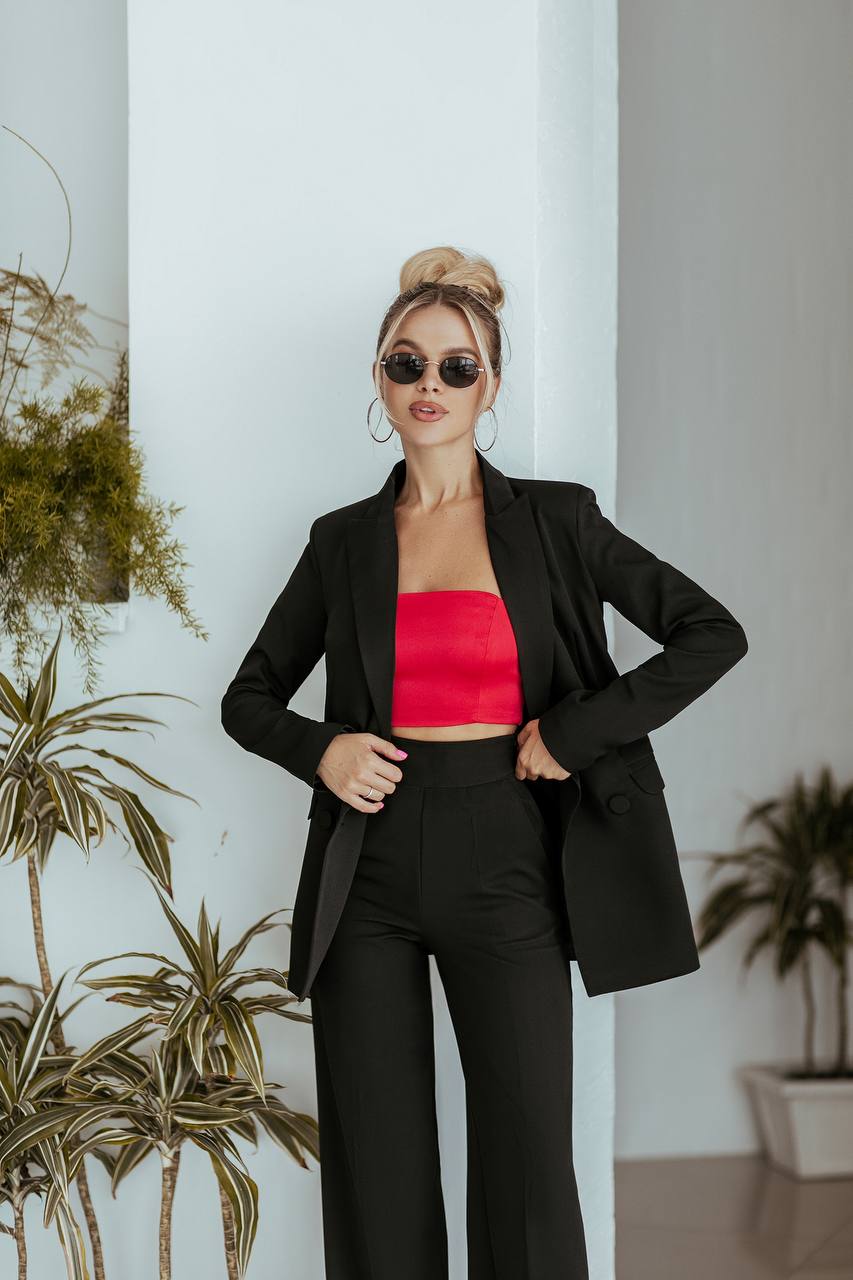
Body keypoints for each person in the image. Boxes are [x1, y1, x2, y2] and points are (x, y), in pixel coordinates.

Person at [220, 245, 748, 1280]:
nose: (430, 385)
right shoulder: (343, 541)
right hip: (366, 864)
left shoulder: (556, 520)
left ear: (490, 383)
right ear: (378, 380)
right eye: (405, 363)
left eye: (456, 367)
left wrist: (574, 732)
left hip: (508, 846)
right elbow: (247, 697)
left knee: (524, 1166)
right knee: (375, 1168)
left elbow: (709, 631)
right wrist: (320, 749)